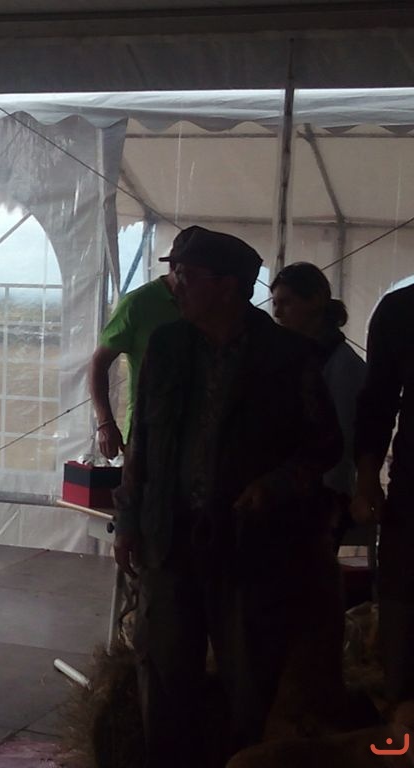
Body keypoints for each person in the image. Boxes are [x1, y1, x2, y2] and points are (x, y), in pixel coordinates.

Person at [113, 227, 344, 766]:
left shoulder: (288, 356)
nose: (175, 286)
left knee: (250, 680)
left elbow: (325, 445)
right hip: (170, 542)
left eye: (186, 276)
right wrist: (127, 521)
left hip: (250, 550)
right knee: (163, 678)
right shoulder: (167, 347)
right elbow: (141, 442)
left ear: (228, 286)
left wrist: (274, 486)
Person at [271, 262, 367, 549]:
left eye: (286, 303)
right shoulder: (301, 358)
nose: (277, 313)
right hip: (291, 492)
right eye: (275, 303)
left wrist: (332, 501)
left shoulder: (343, 366)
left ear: (315, 301)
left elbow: (342, 442)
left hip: (321, 498)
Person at [352, 284, 414, 713]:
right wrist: (366, 477)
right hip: (412, 496)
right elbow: (376, 400)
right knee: (403, 616)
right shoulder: (401, 311)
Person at [88, 227, 196, 458]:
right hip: (147, 433)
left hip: (197, 435)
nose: (194, 284)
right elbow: (99, 363)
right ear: (173, 267)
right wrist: (105, 423)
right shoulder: (138, 304)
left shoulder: (209, 305)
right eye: (190, 274)